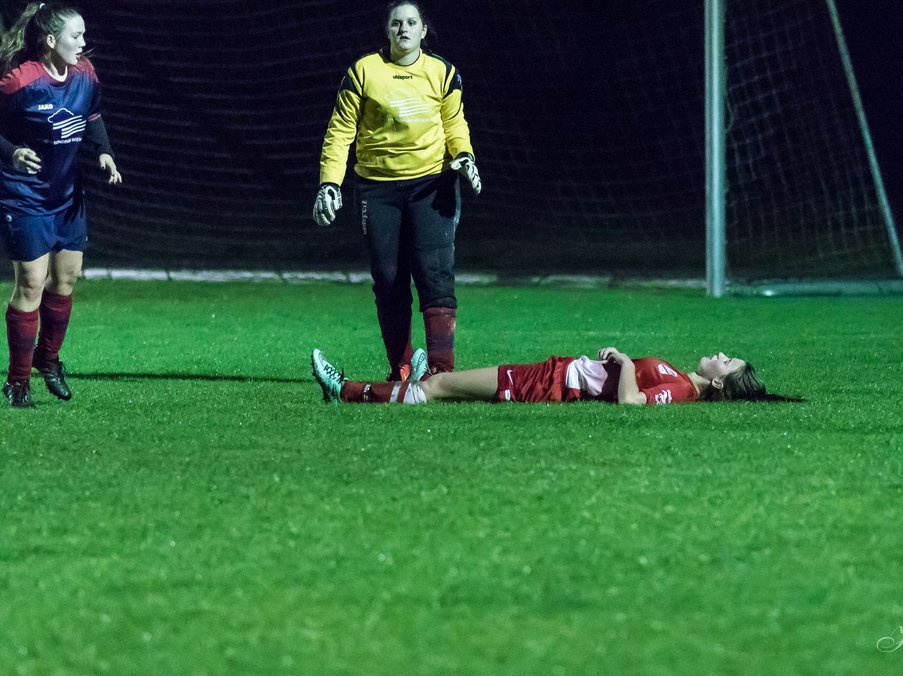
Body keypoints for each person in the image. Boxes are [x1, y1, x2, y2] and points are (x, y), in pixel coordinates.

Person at [312, 0, 480, 383]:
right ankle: (401, 370)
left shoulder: (442, 72)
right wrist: (329, 183)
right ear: (387, 31)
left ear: (424, 30)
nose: (403, 29)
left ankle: (441, 375)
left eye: (411, 22)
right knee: (388, 279)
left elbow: (455, 123)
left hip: (432, 185)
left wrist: (465, 155)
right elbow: (340, 132)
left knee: (435, 275)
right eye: (396, 23)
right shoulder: (364, 72)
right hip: (378, 189)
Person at [0, 2, 121, 409]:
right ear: (51, 41)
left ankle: (47, 361)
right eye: (76, 36)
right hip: (26, 196)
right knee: (31, 284)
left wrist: (103, 151)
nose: (84, 43)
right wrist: (12, 152)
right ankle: (17, 382)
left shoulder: (85, 73)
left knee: (65, 281)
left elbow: (93, 114)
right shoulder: (20, 81)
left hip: (68, 196)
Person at [310, 346, 796, 405]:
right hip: (555, 372)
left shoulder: (683, 390)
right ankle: (410, 384)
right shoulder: (685, 377)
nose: (721, 354)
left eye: (727, 363)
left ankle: (348, 389)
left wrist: (625, 364)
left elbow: (631, 404)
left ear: (718, 384)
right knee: (447, 382)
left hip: (551, 386)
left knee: (438, 389)